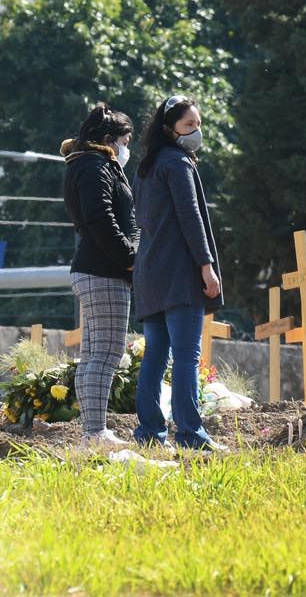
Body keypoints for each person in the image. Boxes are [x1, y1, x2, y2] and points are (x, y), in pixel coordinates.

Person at [131, 94, 226, 451]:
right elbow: (191, 217)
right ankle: (191, 434)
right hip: (179, 273)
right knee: (186, 355)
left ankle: (150, 434)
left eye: (198, 125)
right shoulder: (179, 164)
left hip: (149, 273)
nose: (196, 132)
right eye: (189, 125)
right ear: (170, 128)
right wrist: (206, 266)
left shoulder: (146, 166)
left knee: (156, 354)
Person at [60, 103, 138, 448]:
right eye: (125, 140)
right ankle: (95, 432)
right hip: (104, 270)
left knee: (94, 355)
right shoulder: (96, 165)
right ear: (109, 139)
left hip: (94, 269)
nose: (127, 147)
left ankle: (93, 430)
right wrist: (129, 258)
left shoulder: (86, 163)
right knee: (105, 355)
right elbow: (101, 217)